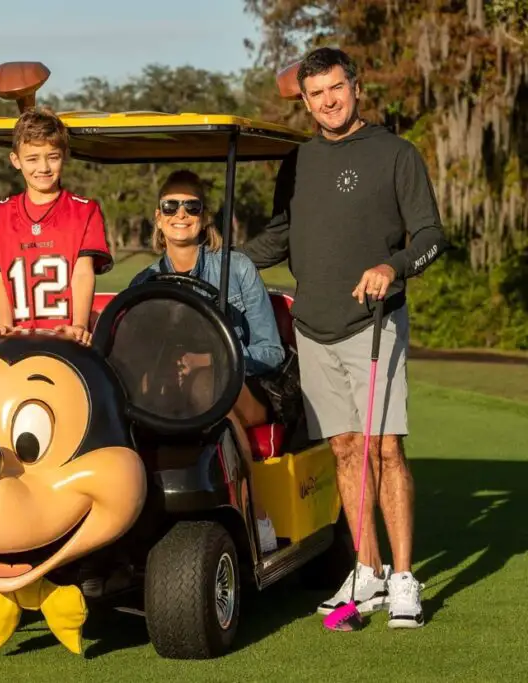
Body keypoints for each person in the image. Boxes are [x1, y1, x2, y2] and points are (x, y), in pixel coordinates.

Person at [240, 47, 448, 628]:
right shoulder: (299, 160)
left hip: (373, 325)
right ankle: (369, 570)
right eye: (316, 93)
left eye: (337, 88)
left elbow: (431, 235)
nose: (328, 100)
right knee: (345, 449)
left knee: (385, 449)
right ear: (304, 102)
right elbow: (278, 237)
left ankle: (405, 579)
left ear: (355, 87)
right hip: (313, 328)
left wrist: (395, 267)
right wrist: (223, 266)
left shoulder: (395, 154)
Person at [129, 169, 286, 555]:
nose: (181, 214)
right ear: (159, 216)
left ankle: (257, 515)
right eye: (171, 206)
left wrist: (212, 361)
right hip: (170, 392)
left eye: (191, 207)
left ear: (205, 217)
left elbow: (272, 351)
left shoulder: (237, 268)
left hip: (242, 387)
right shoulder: (144, 282)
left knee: (210, 394)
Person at [0, 108, 112, 346]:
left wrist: (79, 325)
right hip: (17, 339)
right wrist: (5, 325)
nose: (43, 168)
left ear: (65, 155)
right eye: (32, 159)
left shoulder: (84, 210)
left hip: (65, 339)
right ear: (15, 160)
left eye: (53, 157)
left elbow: (82, 272)